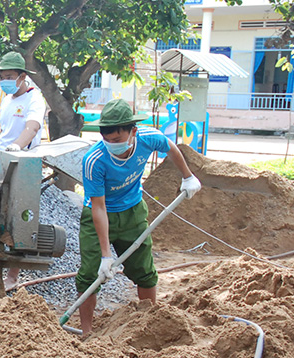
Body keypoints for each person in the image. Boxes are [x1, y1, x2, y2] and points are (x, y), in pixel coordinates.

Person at [76, 98, 201, 336]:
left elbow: (170, 147)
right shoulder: (94, 161)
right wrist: (105, 255)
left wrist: (187, 176)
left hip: (133, 212)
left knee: (144, 269)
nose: (112, 144)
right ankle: (86, 333)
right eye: (107, 140)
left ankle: (150, 322)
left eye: (117, 140)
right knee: (90, 274)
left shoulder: (147, 138)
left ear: (133, 131)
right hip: (99, 218)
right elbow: (98, 207)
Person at [0, 51, 47, 290]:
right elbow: (3, 134)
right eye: (2, 76)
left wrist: (18, 146)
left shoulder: (35, 99)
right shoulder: (7, 99)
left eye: (9, 76)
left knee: (18, 220)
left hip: (24, 164)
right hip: (0, 163)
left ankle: (12, 275)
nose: (5, 80)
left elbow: (32, 127)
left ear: (22, 76)